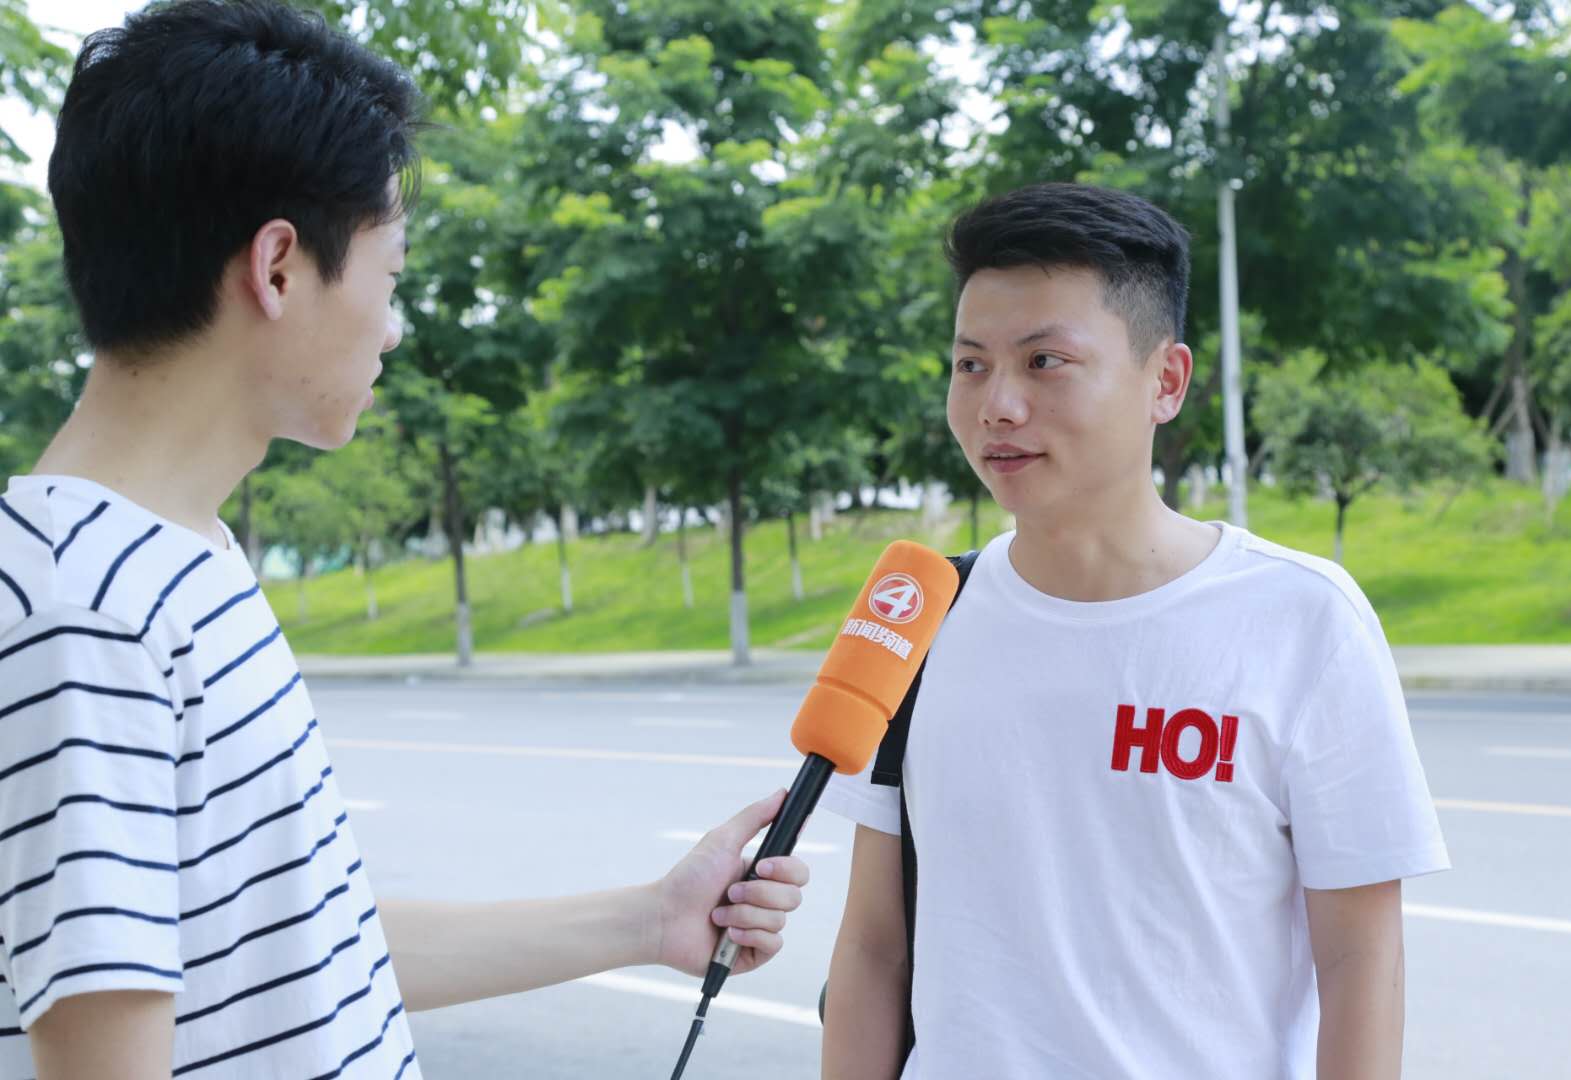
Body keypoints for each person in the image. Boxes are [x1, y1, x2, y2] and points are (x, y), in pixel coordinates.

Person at [0, 3, 807, 1077]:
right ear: (278, 268)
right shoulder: (83, 614)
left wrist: (651, 919)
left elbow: (300, 946)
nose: (392, 327)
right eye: (389, 279)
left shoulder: (179, 558)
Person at [819, 182, 1450, 1079]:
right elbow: (874, 948)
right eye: (970, 365)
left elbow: (1362, 961)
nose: (998, 405)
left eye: (1044, 361)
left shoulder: (1303, 619)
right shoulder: (923, 616)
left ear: (1167, 381)